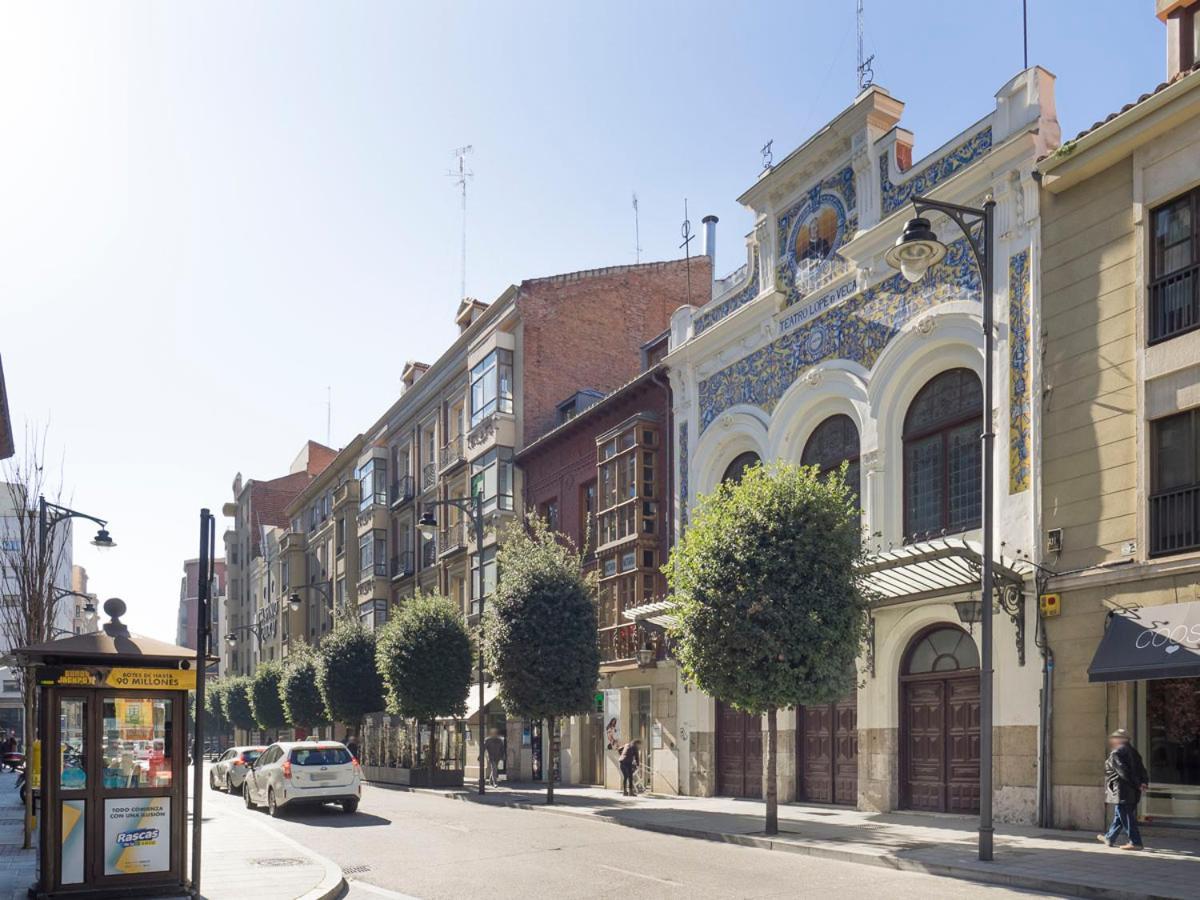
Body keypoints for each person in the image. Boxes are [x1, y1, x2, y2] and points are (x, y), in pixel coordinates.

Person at [1098, 728, 1149, 850]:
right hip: (1133, 791)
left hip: (1123, 791)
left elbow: (1123, 772)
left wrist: (1137, 784)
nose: (1113, 740)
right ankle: (1110, 838)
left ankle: (1135, 842)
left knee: (1125, 816)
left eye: (1115, 737)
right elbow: (1142, 769)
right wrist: (1143, 782)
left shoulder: (1116, 753)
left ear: (1121, 739)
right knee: (1119, 815)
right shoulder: (1134, 752)